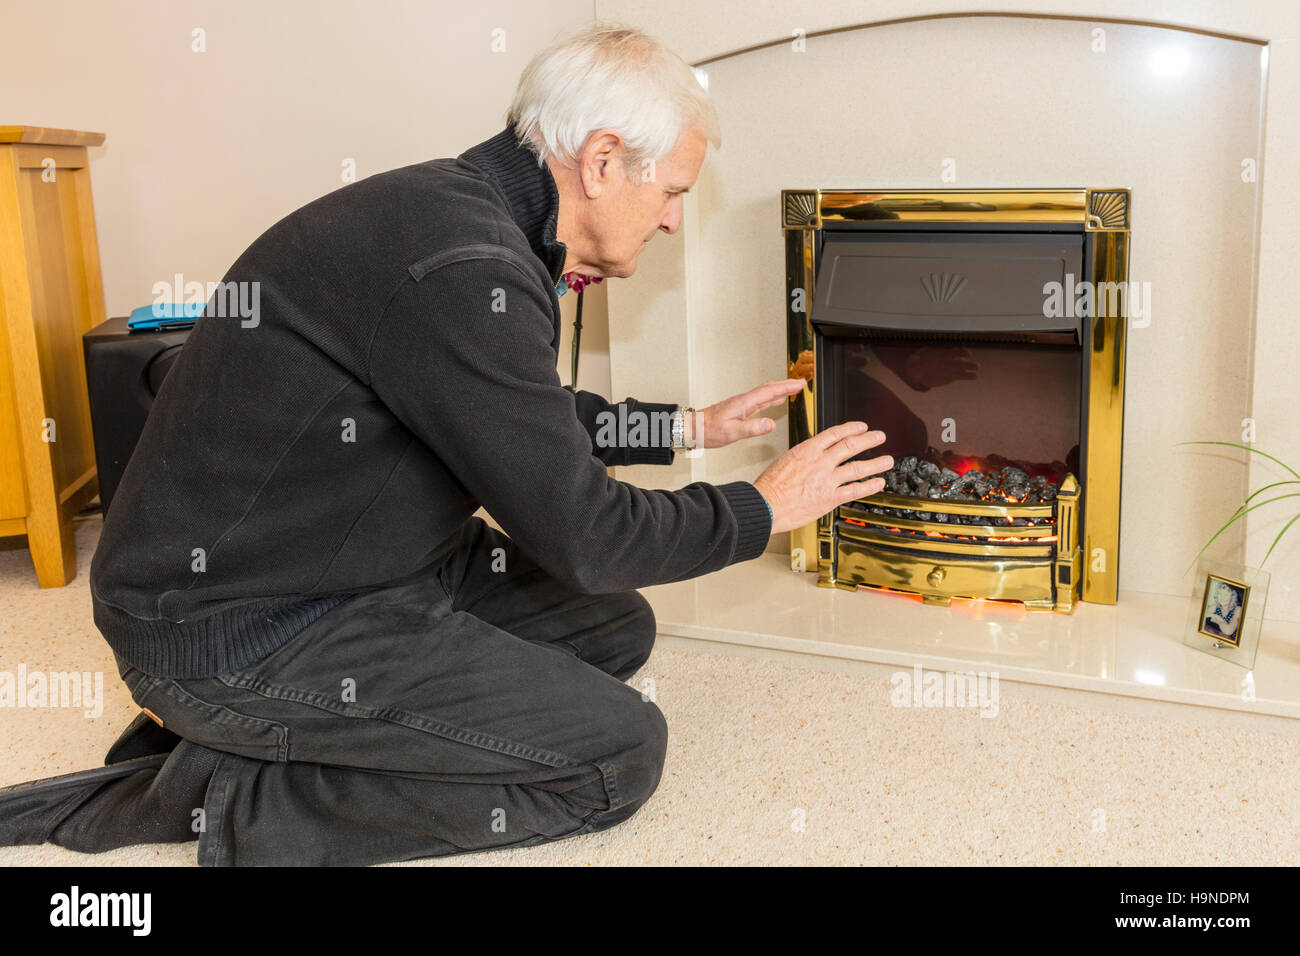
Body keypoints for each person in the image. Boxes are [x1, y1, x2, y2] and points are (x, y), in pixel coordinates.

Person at [0, 22, 892, 866]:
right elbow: (589, 537)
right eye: (673, 194)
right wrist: (764, 507)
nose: (671, 222)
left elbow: (509, 415)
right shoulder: (464, 266)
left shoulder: (464, 220)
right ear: (604, 161)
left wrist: (685, 427)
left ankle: (297, 731)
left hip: (346, 554)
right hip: (238, 623)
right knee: (617, 754)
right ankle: (227, 793)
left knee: (610, 630)